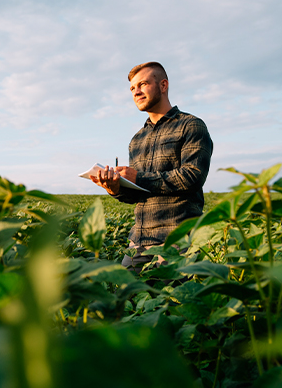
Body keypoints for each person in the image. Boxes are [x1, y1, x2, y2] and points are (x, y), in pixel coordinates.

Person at [90, 61, 213, 271]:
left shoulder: (191, 125)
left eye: (143, 84)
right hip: (139, 241)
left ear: (163, 85)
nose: (136, 92)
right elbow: (139, 194)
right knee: (126, 298)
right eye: (132, 88)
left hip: (179, 239)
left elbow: (192, 176)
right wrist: (116, 188)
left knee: (173, 301)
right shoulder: (137, 139)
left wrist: (138, 177)